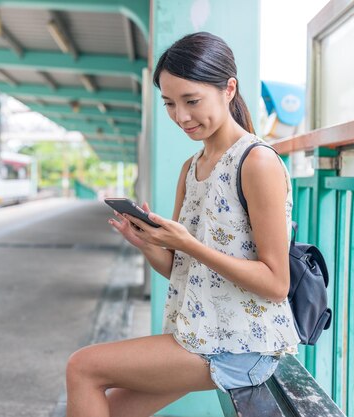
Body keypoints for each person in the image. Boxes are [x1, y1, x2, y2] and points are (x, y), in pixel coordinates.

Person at [65, 31, 300, 417]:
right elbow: (179, 268)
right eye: (170, 104)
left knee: (83, 366)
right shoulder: (190, 168)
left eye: (192, 101)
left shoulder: (256, 162)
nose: (181, 116)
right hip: (201, 333)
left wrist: (189, 244)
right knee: (111, 409)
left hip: (242, 344)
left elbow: (276, 284)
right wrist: (148, 243)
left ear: (229, 89)